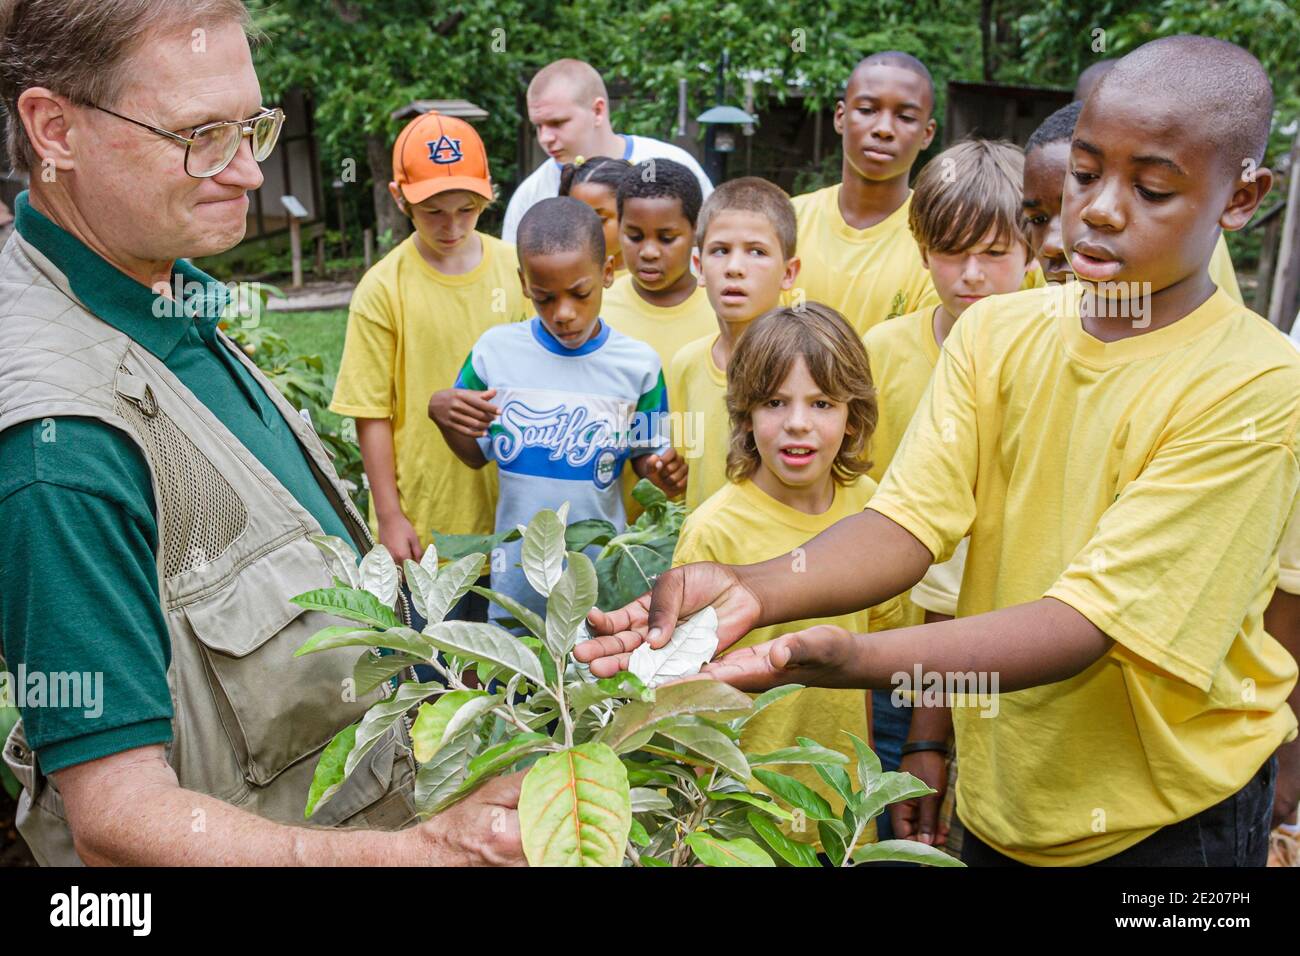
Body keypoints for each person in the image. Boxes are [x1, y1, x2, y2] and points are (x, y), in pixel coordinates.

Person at [580, 36, 1297, 867]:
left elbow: (1090, 622)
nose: (1099, 209)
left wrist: (859, 659)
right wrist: (753, 588)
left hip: (1169, 826)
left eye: (1153, 187)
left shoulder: (1256, 385)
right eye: (1086, 172)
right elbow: (909, 521)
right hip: (1004, 802)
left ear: (1241, 198)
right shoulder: (998, 332)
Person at [0, 0, 522, 865]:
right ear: (54, 129)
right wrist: (426, 854)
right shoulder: (60, 447)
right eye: (200, 134)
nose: (246, 172)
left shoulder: (160, 285)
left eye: (254, 127)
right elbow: (116, 815)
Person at [674, 303, 902, 841]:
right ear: (746, 414)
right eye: (776, 402)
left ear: (854, 415)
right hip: (743, 818)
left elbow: (879, 658)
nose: (798, 422)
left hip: (843, 808)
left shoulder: (875, 514)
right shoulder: (714, 532)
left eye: (821, 402)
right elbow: (684, 691)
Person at [862, 138, 1034, 849]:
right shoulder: (882, 351)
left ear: (1034, 245)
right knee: (898, 830)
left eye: (995, 252)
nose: (971, 276)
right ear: (921, 246)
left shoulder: (1060, 353)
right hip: (895, 651)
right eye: (951, 251)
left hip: (1023, 653)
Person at [429, 197, 685, 620]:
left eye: (579, 294)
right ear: (524, 283)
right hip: (515, 588)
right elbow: (474, 455)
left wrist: (662, 471)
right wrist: (440, 413)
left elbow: (646, 460)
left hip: (600, 587)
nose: (563, 314)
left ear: (607, 274)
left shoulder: (638, 365)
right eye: (545, 298)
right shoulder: (494, 354)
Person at [332, 112, 528, 583]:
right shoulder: (384, 288)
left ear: (487, 194)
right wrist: (390, 515)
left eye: (466, 209)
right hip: (428, 524)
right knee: (434, 656)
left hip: (514, 515)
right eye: (433, 211)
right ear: (401, 199)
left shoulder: (517, 269)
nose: (452, 226)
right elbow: (371, 410)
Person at [668, 178, 800, 512]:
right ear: (698, 267)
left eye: (757, 252)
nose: (735, 268)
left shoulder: (808, 367)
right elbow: (685, 476)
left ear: (789, 272)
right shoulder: (686, 364)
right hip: (703, 554)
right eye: (720, 251)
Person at [1023, 98, 1243, 299]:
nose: (1051, 245)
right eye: (1038, 219)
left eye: (1152, 191)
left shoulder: (1191, 248)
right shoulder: (1010, 319)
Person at [790, 52, 939, 337]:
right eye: (868, 110)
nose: (883, 129)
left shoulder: (940, 239)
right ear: (840, 117)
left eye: (905, 117)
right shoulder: (786, 221)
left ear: (927, 133)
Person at [501, 59, 712, 245]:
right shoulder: (530, 195)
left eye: (557, 122)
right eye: (538, 126)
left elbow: (713, 248)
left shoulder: (671, 165)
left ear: (598, 111)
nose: (544, 137)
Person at [602, 158, 714, 373]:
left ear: (696, 231)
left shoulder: (722, 311)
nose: (648, 253)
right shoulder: (598, 308)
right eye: (634, 237)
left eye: (667, 238)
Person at [558, 155, 631, 275]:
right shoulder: (561, 277)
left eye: (599, 220)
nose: (584, 231)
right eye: (574, 220)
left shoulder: (653, 284)